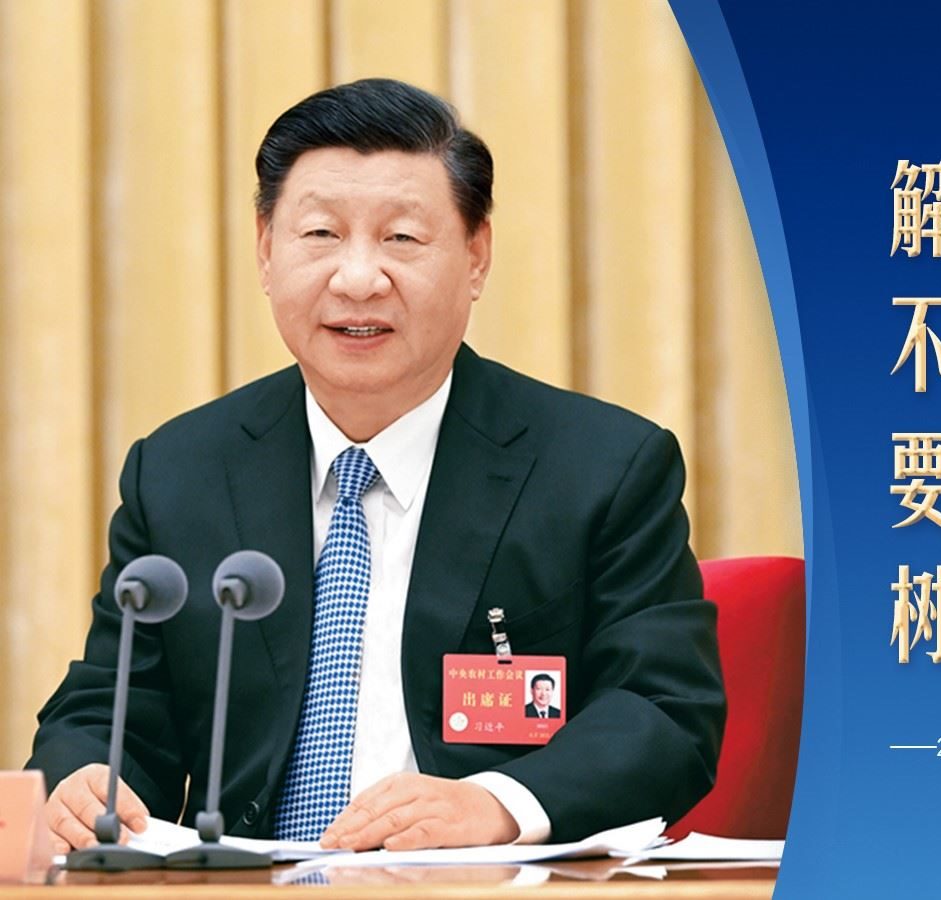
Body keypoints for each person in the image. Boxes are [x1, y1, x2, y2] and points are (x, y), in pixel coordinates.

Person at [27, 78, 725, 853]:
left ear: (476, 256)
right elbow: (110, 707)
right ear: (266, 250)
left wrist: (496, 805)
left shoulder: (600, 468)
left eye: (402, 239)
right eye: (320, 234)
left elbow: (663, 710)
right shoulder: (180, 473)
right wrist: (86, 776)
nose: (358, 278)